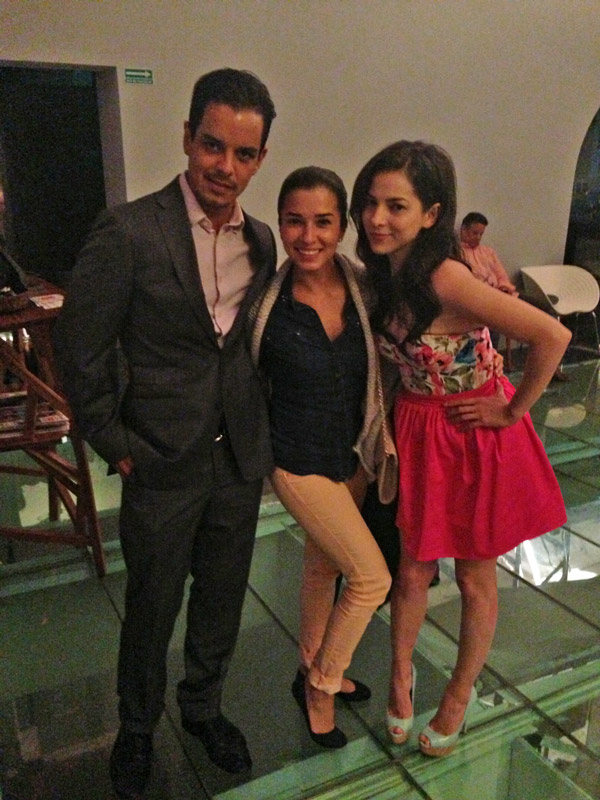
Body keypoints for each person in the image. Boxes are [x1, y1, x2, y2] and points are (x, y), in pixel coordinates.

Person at [53, 68, 277, 798]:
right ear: (186, 138)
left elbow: (245, 347)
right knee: (152, 606)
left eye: (244, 154)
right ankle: (138, 727)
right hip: (157, 459)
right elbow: (79, 348)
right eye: (213, 145)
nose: (225, 167)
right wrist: (116, 444)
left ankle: (203, 709)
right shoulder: (129, 231)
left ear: (260, 160)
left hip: (237, 459)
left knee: (222, 596)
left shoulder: (263, 242)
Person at [350, 140, 570, 758]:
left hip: (471, 433)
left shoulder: (446, 276)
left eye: (396, 206)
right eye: (370, 203)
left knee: (474, 575)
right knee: (413, 569)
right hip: (418, 429)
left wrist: (512, 409)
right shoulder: (382, 273)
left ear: (431, 214)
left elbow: (552, 335)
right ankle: (400, 676)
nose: (377, 218)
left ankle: (458, 693)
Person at [250, 166, 394, 748]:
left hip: (353, 455)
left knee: (323, 568)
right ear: (280, 223)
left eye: (323, 222)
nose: (308, 237)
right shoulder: (267, 304)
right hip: (296, 462)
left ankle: (308, 662)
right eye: (294, 221)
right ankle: (322, 684)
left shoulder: (364, 289)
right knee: (371, 579)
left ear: (343, 226)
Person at [459, 212, 517, 295]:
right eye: (475, 233)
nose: (478, 237)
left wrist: (504, 288)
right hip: (480, 295)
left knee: (534, 301)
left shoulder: (488, 252)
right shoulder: (458, 253)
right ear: (464, 230)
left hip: (501, 293)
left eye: (481, 234)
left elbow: (501, 275)